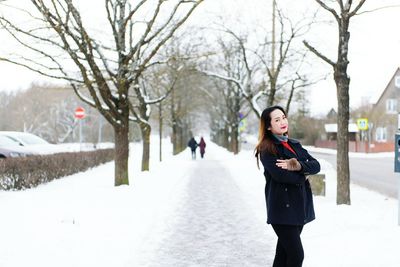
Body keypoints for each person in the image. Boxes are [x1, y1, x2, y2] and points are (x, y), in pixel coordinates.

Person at [255, 105, 320, 267]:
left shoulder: (294, 144)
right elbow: (282, 176)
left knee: (283, 255)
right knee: (296, 255)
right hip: (282, 210)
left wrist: (297, 165)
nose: (283, 121)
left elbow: (316, 165)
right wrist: (303, 175)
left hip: (299, 208)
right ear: (269, 126)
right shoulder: (267, 149)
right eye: (277, 120)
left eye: (283, 117)